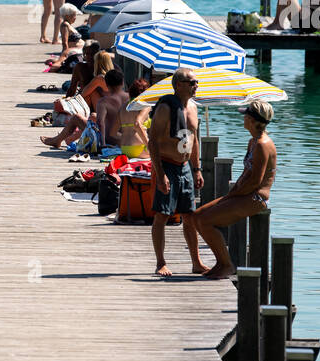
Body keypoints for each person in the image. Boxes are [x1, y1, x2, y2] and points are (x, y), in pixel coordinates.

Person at [191, 99, 277, 280]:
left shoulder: (263, 144)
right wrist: (232, 193)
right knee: (197, 216)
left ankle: (227, 265)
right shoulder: (252, 142)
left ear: (253, 120)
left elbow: (256, 181)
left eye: (246, 115)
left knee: (206, 221)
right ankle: (221, 263)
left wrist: (233, 195)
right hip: (244, 194)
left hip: (255, 198)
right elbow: (246, 173)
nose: (243, 118)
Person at [148, 68, 204, 277]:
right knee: (162, 215)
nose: (195, 86)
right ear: (178, 84)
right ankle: (160, 262)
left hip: (185, 167)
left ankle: (196, 262)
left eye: (196, 82)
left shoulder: (193, 107)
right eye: (192, 82)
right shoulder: (165, 108)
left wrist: (197, 169)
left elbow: (193, 139)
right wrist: (160, 173)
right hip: (167, 164)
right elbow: (152, 141)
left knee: (190, 216)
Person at [41, 68, 123, 150]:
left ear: (107, 85)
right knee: (93, 118)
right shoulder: (124, 98)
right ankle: (66, 139)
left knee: (78, 118)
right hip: (121, 140)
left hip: (107, 142)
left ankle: (59, 140)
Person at [112, 78, 151, 159]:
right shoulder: (145, 105)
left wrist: (125, 136)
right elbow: (137, 124)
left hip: (125, 149)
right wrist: (148, 144)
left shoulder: (123, 107)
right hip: (140, 148)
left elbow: (113, 133)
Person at [45, 3, 85, 69]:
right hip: (75, 51)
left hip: (79, 51)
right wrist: (64, 56)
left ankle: (55, 61)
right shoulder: (65, 25)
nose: (75, 17)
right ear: (67, 16)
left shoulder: (68, 25)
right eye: (74, 15)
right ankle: (57, 63)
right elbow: (65, 42)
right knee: (81, 64)